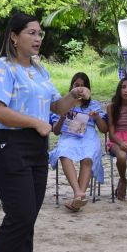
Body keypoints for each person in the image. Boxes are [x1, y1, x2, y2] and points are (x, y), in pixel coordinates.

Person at [0, 12, 91, 252]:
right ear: (14, 37)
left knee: (27, 217)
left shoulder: (40, 71)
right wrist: (33, 123)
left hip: (36, 149)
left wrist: (75, 95)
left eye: (40, 33)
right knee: (20, 215)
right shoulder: (2, 68)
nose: (38, 38)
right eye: (31, 32)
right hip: (9, 146)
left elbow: (55, 106)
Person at [49, 72, 108, 212]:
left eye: (83, 86)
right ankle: (78, 193)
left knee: (88, 157)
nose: (80, 89)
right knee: (64, 153)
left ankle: (78, 198)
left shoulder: (93, 104)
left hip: (88, 135)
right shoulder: (63, 104)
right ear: (71, 87)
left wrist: (98, 117)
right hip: (69, 135)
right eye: (77, 85)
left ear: (88, 88)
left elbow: (104, 129)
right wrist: (62, 117)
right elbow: (56, 131)